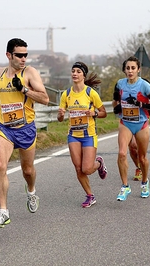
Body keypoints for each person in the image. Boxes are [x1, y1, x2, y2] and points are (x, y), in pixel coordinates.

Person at [0, 38, 49, 227]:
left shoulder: (30, 72)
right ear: (9, 55)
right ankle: (3, 212)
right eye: (19, 55)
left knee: (28, 170)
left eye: (26, 55)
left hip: (25, 128)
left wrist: (23, 89)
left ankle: (31, 192)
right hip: (5, 127)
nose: (23, 59)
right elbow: (2, 97)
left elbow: (45, 99)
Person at [57, 62, 107, 208]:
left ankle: (98, 164)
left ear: (83, 75)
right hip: (73, 134)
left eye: (78, 71)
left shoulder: (90, 93)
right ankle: (90, 195)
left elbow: (104, 112)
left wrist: (94, 113)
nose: (75, 73)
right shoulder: (66, 94)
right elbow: (60, 119)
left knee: (86, 169)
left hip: (89, 135)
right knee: (78, 168)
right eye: (73, 71)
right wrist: (60, 115)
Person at [114, 56, 150, 201]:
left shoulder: (144, 85)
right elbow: (115, 107)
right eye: (127, 68)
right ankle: (124, 186)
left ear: (138, 70)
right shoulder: (120, 84)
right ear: (124, 70)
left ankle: (145, 182)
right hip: (126, 123)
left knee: (142, 157)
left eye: (133, 68)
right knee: (122, 154)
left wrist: (139, 104)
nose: (130, 71)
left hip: (141, 124)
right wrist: (121, 106)